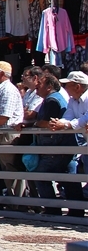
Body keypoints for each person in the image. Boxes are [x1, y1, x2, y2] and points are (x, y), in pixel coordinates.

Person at [34, 74, 84, 217]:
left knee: (41, 175)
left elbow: (49, 123)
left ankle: (52, 209)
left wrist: (40, 123)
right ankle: (76, 210)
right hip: (66, 144)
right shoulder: (70, 100)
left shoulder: (53, 100)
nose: (37, 84)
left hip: (57, 145)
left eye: (40, 82)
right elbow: (66, 118)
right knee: (69, 178)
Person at [0, 61, 25, 199]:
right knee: (7, 168)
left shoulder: (7, 90)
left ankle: (18, 201)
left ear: (1, 74)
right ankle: (14, 200)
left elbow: (4, 117)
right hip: (2, 133)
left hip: (7, 134)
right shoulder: (1, 89)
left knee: (11, 168)